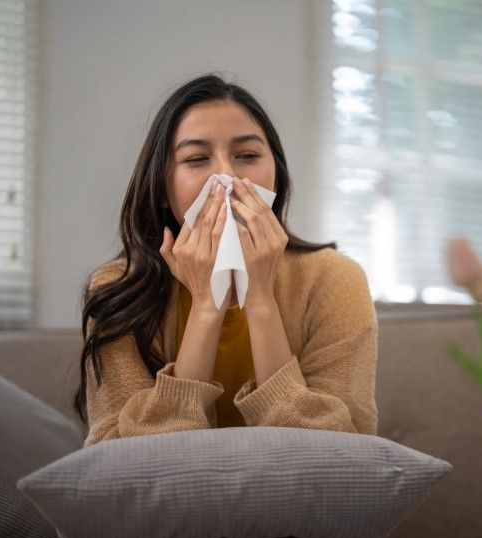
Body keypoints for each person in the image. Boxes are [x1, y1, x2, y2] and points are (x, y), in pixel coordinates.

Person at [74, 74, 378, 447]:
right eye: (197, 158)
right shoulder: (117, 288)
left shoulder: (335, 279)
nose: (227, 177)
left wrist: (260, 298)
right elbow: (117, 457)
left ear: (277, 175)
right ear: (163, 190)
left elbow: (345, 450)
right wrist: (207, 304)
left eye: (247, 156)